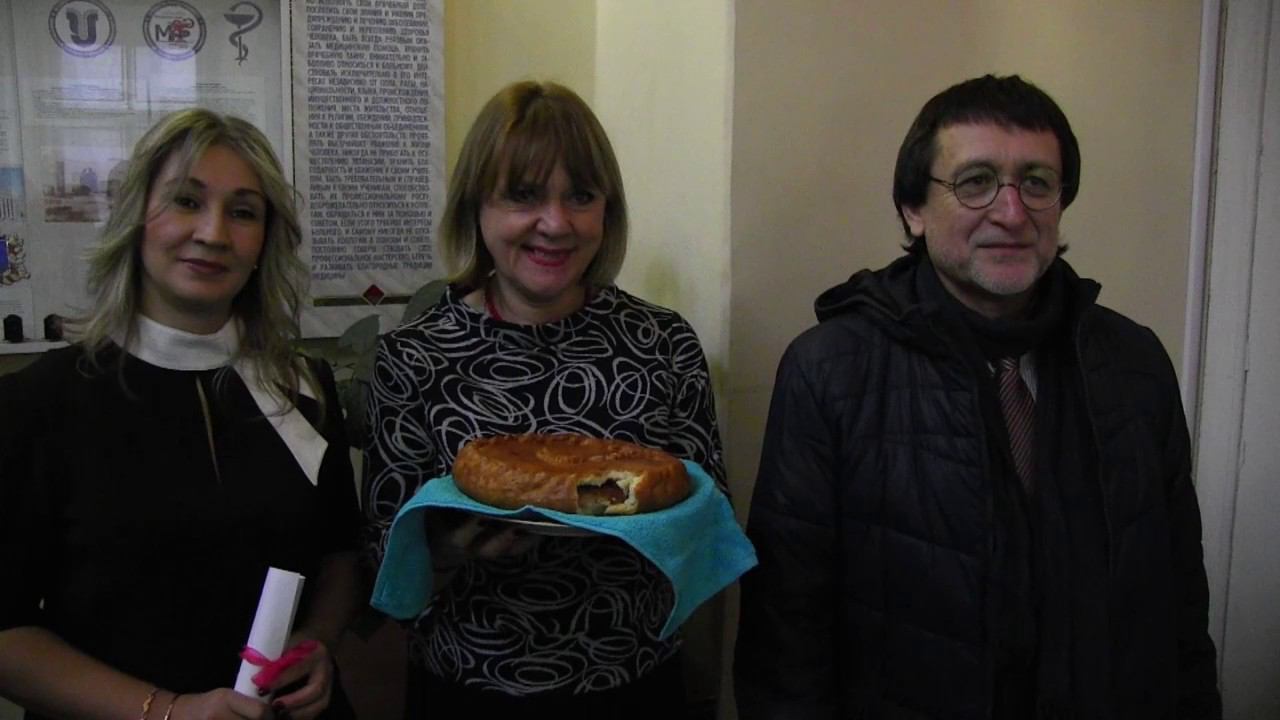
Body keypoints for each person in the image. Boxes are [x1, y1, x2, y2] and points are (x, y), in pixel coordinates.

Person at [734, 75, 1221, 719]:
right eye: (975, 182)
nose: (1012, 213)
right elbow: (786, 631)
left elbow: (1178, 595)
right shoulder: (829, 371)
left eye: (1037, 183)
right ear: (914, 209)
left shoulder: (1135, 363)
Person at [363, 80, 726, 717]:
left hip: (634, 684)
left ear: (607, 210)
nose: (556, 224)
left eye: (580, 196)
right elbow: (385, 562)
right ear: (476, 204)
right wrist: (450, 548)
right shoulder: (414, 357)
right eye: (524, 195)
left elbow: (704, 516)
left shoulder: (663, 343)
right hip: (468, 689)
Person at [0, 109, 362, 720]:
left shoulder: (303, 388)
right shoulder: (39, 402)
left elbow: (339, 555)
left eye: (243, 212)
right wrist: (167, 711)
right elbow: (6, 630)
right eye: (187, 201)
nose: (214, 233)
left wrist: (318, 643)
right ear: (136, 218)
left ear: (265, 241)